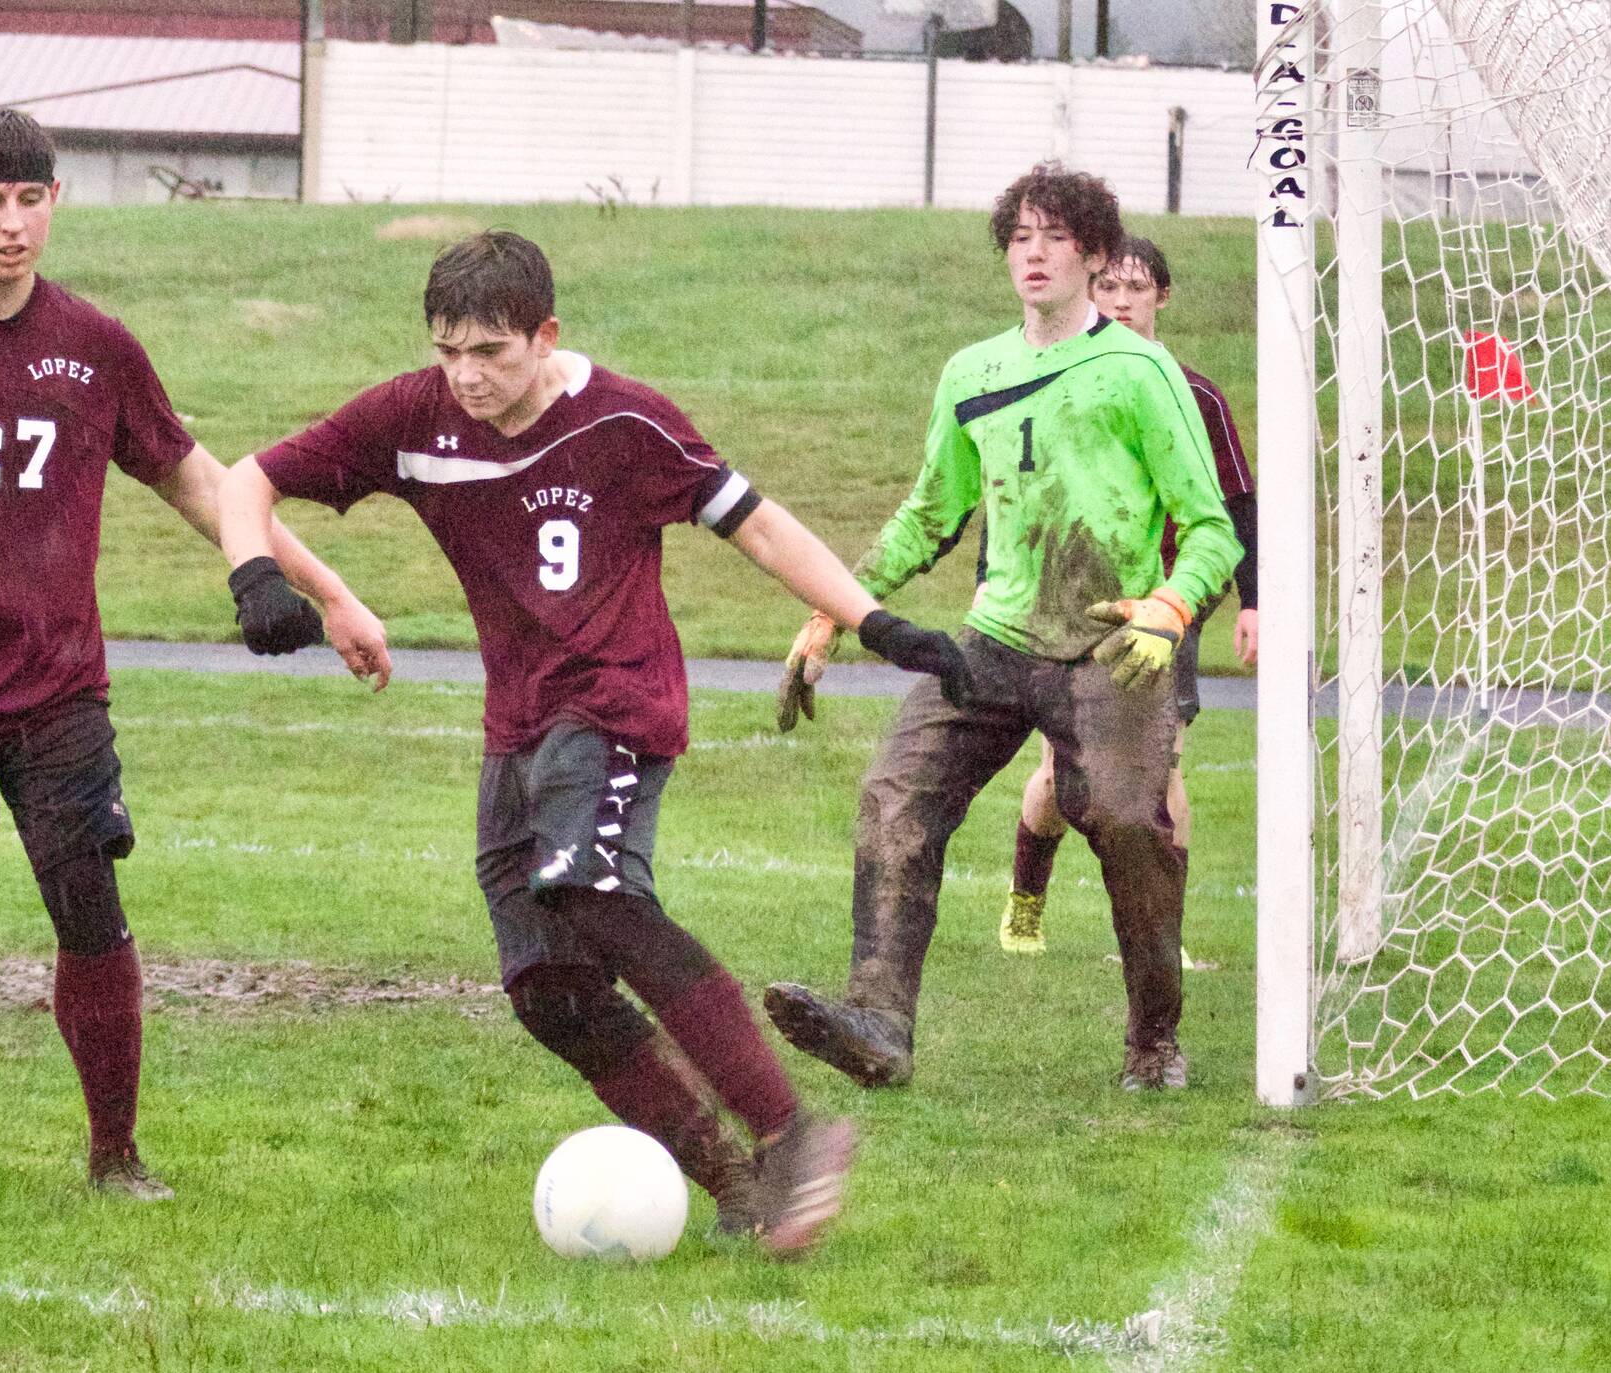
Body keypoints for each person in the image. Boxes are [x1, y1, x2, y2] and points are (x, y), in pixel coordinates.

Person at [217, 230, 970, 1255]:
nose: (467, 375)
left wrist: (876, 624)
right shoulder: (411, 415)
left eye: (490, 350)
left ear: (546, 334)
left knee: (594, 887)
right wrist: (256, 575)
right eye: (449, 350)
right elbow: (243, 479)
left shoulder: (624, 420)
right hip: (515, 720)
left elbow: (756, 525)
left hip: (615, 700)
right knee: (547, 991)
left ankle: (791, 1131)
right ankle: (738, 1183)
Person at [0, 108, 386, 1199]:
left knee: (87, 899)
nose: (9, 224)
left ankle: (115, 1156)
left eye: (28, 200)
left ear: (56, 203)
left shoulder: (95, 344)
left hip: (58, 690)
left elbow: (198, 479)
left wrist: (328, 592)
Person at [766, 165, 1241, 1093]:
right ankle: (878, 1024)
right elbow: (927, 515)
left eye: (1056, 236)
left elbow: (1215, 526)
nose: (1034, 251)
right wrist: (833, 604)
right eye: (1020, 236)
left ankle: (1154, 1044)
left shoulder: (1141, 371)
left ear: (1096, 255)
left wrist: (1171, 606)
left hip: (1110, 646)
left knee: (1132, 829)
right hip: (995, 639)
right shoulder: (971, 373)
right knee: (897, 791)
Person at [993, 236, 1259, 960]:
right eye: (1106, 288)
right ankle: (1025, 899)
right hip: (1076, 604)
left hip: (1169, 609)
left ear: (1161, 298)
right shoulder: (1064, 382)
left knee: (1165, 766)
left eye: (1134, 288)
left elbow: (1236, 504)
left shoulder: (1196, 394)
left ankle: (1163, 933)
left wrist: (1253, 602)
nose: (1119, 301)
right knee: (1058, 773)